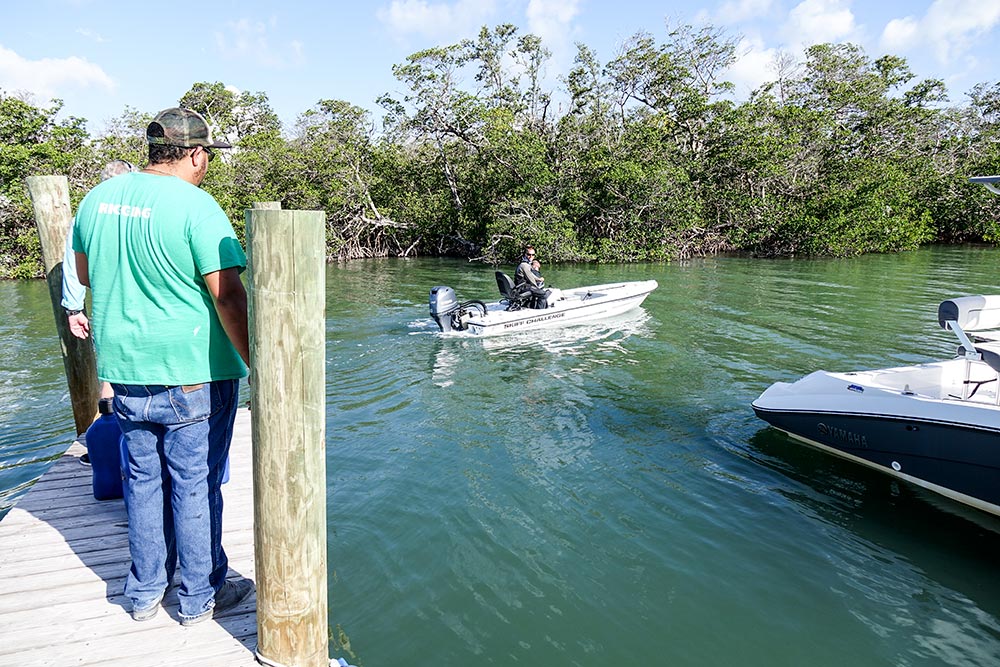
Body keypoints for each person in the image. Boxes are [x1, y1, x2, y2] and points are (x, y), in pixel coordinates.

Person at [72, 107, 253, 626]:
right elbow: (229, 296)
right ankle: (199, 597)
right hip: (193, 370)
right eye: (206, 159)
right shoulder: (197, 206)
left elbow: (84, 272)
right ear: (196, 154)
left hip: (126, 372)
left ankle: (145, 593)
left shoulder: (97, 200)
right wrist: (252, 360)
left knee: (143, 481)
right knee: (195, 484)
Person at [64, 160, 136, 465]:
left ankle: (106, 447)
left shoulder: (89, 212)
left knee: (110, 377)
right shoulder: (142, 211)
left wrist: (74, 307)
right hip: (148, 308)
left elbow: (72, 264)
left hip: (108, 309)